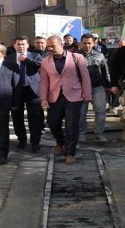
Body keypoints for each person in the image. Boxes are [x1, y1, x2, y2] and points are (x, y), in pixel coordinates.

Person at [39, 35, 92, 164]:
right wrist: (43, 98)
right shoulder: (45, 61)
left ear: (61, 44)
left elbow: (85, 78)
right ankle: (60, 142)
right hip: (54, 97)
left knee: (71, 125)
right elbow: (44, 81)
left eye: (53, 46)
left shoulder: (77, 57)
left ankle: (70, 152)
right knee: (52, 123)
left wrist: (88, 95)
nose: (50, 48)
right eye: (48, 46)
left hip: (74, 96)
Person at [6, 36, 44, 152]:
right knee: (17, 117)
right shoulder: (9, 58)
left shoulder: (35, 55)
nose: (21, 46)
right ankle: (21, 139)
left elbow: (40, 65)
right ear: (14, 45)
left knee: (34, 117)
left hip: (32, 91)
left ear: (28, 45)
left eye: (23, 44)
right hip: (16, 91)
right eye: (18, 44)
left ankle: (35, 142)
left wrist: (26, 60)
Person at [78, 33, 111, 144]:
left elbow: (105, 71)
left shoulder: (99, 55)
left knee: (100, 110)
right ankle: (81, 133)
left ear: (93, 43)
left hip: (97, 87)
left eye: (89, 43)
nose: (87, 45)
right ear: (80, 43)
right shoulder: (75, 56)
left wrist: (108, 85)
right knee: (81, 112)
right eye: (84, 43)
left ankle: (99, 134)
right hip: (80, 88)